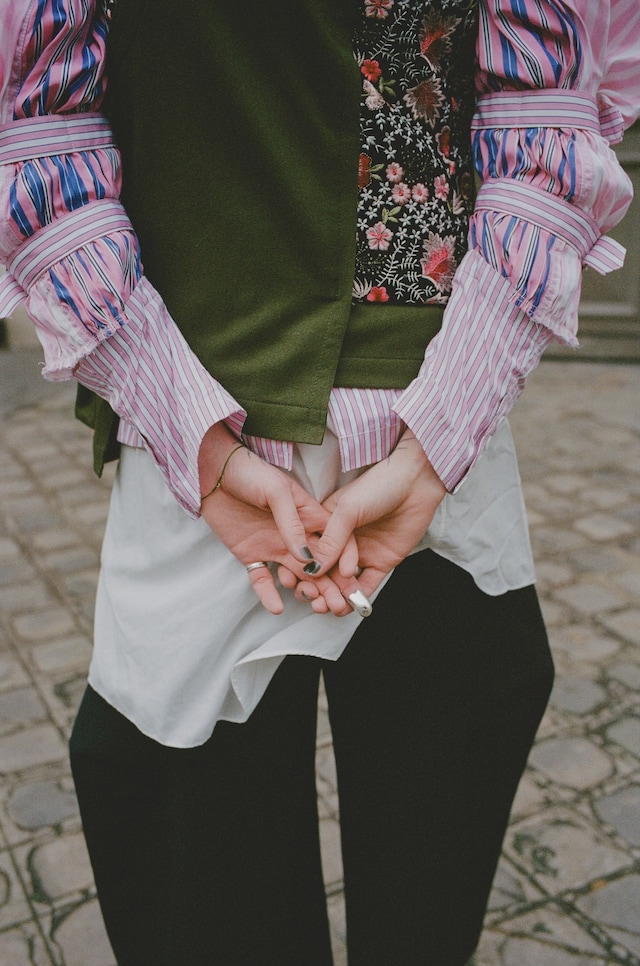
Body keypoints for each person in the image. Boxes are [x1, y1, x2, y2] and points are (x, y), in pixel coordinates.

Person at [1, 1, 638, 963]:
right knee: (201, 869)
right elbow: (43, 126)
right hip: (230, 413)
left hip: (416, 424)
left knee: (425, 839)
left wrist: (433, 445)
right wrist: (197, 438)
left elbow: (539, 127)